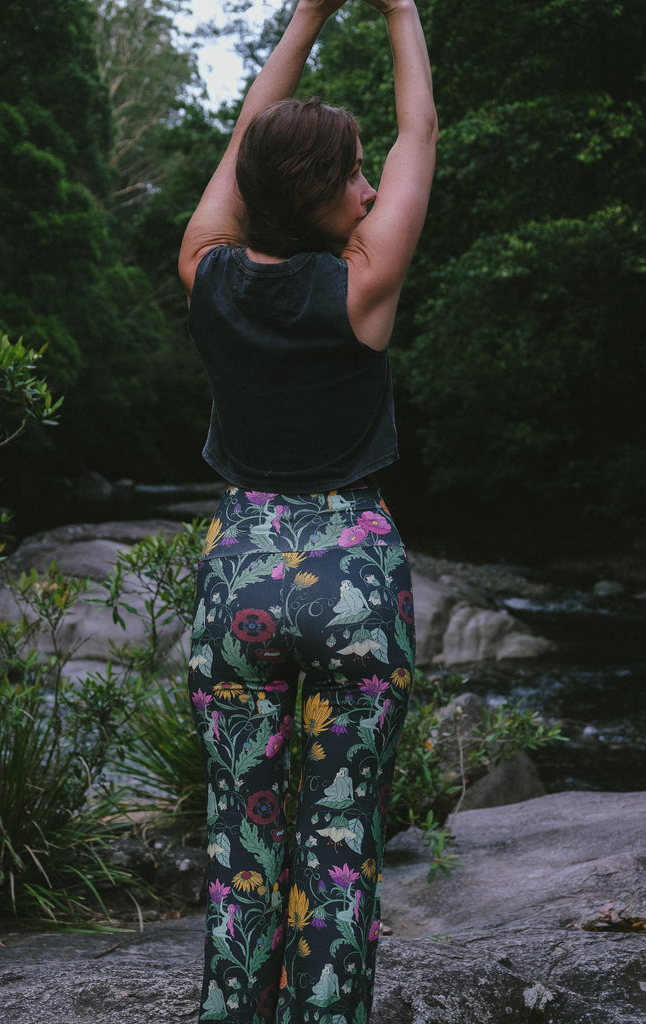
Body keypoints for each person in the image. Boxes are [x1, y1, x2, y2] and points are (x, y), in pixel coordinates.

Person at [179, 1, 437, 1020]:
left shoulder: (209, 276)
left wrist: (304, 17)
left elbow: (248, 142)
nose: (369, 186)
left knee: (241, 856)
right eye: (351, 174)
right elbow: (421, 132)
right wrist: (393, 8)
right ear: (318, 197)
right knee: (338, 855)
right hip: (352, 580)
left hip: (240, 578)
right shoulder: (362, 287)